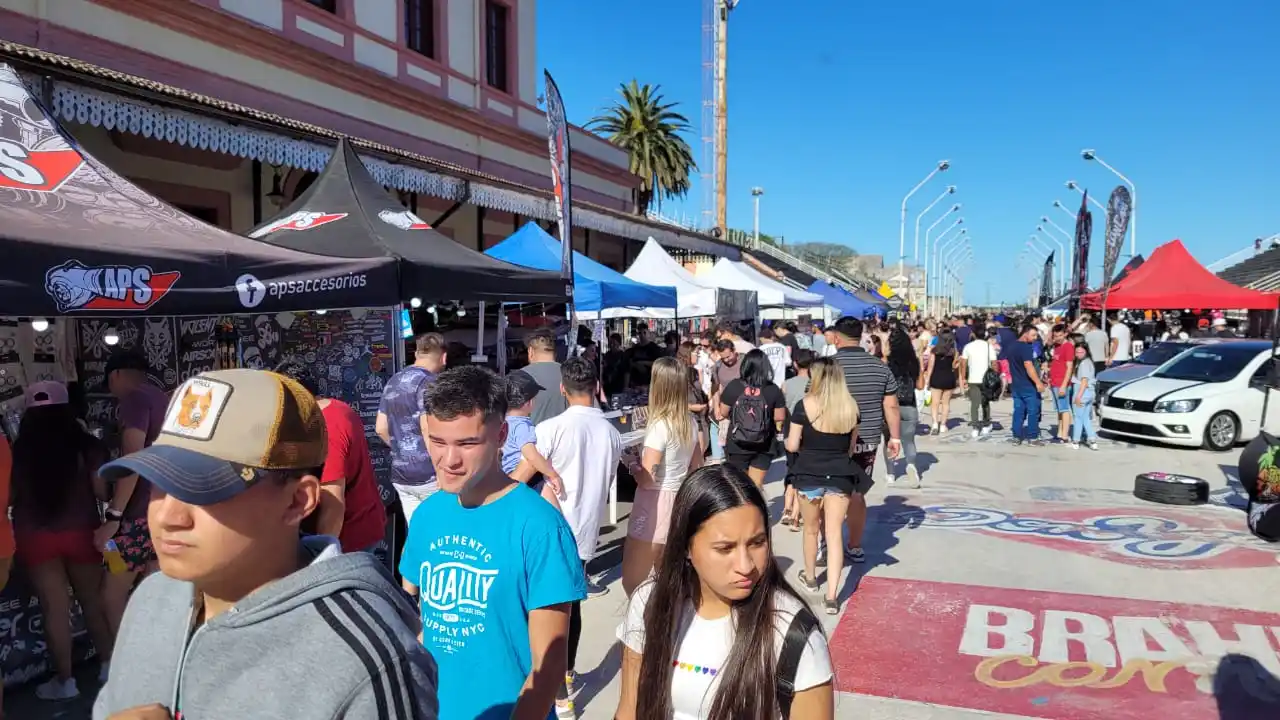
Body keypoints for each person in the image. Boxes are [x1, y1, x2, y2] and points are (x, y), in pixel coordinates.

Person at [95, 369, 438, 719]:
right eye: (159, 483)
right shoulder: (152, 597)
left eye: (206, 491)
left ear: (297, 501)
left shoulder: (366, 659)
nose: (168, 516)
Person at [402, 366, 582, 720]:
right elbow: (425, 624)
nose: (449, 460)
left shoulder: (540, 526)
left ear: (501, 435)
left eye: (467, 444)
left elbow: (548, 667)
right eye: (438, 441)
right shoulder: (428, 515)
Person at [615, 464, 834, 720]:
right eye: (724, 548)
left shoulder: (793, 633)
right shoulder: (649, 603)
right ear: (686, 546)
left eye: (757, 543)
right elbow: (628, 710)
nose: (745, 565)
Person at [11, 382, 117, 703]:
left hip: (35, 535)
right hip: (81, 531)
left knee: (54, 608)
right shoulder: (88, 446)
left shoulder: (19, 451)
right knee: (92, 600)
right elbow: (102, 493)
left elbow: (10, 497)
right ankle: (108, 667)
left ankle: (65, 681)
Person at [530, 356, 622, 712]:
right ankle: (565, 675)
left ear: (562, 389)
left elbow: (526, 473)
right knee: (571, 606)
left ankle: (560, 695)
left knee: (546, 611)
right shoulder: (612, 434)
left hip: (549, 530)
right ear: (596, 387)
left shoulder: (551, 428)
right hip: (585, 533)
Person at [274, 361, 387, 554]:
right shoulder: (340, 408)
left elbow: (333, 503)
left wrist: (324, 556)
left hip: (348, 539)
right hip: (366, 523)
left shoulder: (325, 429)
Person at [786, 358, 864, 615]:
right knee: (833, 534)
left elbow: (793, 446)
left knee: (810, 530)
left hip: (808, 474)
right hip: (840, 475)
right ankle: (832, 596)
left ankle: (809, 578)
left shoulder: (804, 405)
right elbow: (852, 448)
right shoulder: (851, 407)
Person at [621, 357, 701, 597]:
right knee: (669, 576)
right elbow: (697, 466)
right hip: (680, 499)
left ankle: (645, 628)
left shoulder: (659, 426)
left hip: (653, 504)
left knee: (633, 580)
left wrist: (632, 463)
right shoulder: (690, 422)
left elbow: (647, 478)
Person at [98, 350, 164, 638]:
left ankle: (128, 667)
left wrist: (113, 517)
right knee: (156, 597)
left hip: (137, 516)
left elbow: (132, 460)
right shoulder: (163, 398)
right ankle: (160, 660)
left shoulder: (134, 400)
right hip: (165, 510)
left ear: (116, 376)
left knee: (111, 597)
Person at [828, 316, 901, 565]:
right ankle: (855, 545)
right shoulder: (880, 367)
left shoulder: (827, 367)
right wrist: (895, 438)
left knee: (827, 491)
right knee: (857, 493)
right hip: (867, 439)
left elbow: (811, 402)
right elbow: (891, 406)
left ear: (836, 338)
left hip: (830, 438)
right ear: (861, 337)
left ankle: (826, 542)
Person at [376, 332, 445, 527]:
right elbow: (427, 427)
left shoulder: (393, 381)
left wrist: (401, 448)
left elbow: (380, 428)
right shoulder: (430, 383)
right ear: (443, 357)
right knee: (439, 531)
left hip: (401, 474)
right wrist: (441, 470)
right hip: (428, 473)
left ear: (416, 353)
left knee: (416, 531)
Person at [716, 349, 787, 489]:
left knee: (739, 485)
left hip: (737, 443)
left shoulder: (734, 386)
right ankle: (758, 508)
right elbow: (779, 417)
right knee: (756, 485)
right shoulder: (773, 389)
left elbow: (723, 413)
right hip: (764, 443)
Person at [503, 371, 564, 510]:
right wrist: (552, 474)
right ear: (529, 402)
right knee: (554, 512)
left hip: (506, 474)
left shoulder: (503, 423)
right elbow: (531, 455)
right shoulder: (523, 425)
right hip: (528, 479)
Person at [780, 349, 816, 527]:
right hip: (809, 434)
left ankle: (787, 508)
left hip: (789, 433)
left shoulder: (786, 384)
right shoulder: (815, 384)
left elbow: (782, 410)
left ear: (795, 364)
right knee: (804, 473)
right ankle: (797, 512)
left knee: (791, 470)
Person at [884, 328, 922, 486]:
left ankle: (891, 473)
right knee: (909, 440)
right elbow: (920, 385)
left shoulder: (886, 363)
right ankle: (911, 464)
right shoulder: (914, 361)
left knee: (889, 440)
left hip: (889, 405)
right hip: (909, 405)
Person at [1009, 324, 1046, 446]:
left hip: (1016, 384)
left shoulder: (1012, 346)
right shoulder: (1026, 348)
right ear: (1025, 334)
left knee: (1018, 411)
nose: (1035, 338)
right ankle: (1033, 437)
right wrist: (1038, 382)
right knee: (1032, 411)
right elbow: (1029, 367)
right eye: (1033, 335)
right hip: (1028, 385)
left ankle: (1016, 436)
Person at [522, 329, 570, 423]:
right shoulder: (571, 374)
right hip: (568, 436)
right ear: (555, 352)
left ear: (530, 351)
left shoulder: (520, 377)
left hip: (534, 436)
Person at [959, 324, 995, 437]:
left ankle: (975, 427)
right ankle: (986, 424)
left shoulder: (968, 347)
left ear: (973, 334)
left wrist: (963, 378)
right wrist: (995, 375)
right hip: (986, 379)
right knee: (985, 403)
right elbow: (994, 363)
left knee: (974, 403)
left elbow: (963, 363)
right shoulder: (989, 346)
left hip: (973, 378)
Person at [925, 330, 959, 435]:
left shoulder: (934, 351)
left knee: (935, 403)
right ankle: (943, 425)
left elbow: (930, 367)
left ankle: (935, 424)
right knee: (946, 403)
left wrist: (927, 380)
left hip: (937, 377)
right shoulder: (954, 352)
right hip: (949, 378)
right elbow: (955, 367)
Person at [1069, 341, 1100, 450]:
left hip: (1082, 391)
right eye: (1077, 352)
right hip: (1090, 393)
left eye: (1081, 352)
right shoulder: (1088, 362)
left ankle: (1076, 441)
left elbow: (1084, 381)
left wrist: (1078, 396)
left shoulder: (1083, 364)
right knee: (1085, 417)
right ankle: (1092, 440)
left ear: (1086, 351)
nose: (1078, 354)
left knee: (1078, 417)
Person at [1049, 325, 1075, 443]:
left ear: (1065, 334)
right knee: (1059, 409)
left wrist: (1064, 385)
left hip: (1062, 383)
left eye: (1060, 335)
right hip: (1054, 381)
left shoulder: (1068, 347)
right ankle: (1059, 432)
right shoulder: (1056, 346)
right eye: (1055, 336)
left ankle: (1065, 435)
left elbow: (1069, 367)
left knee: (1064, 409)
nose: (1057, 338)